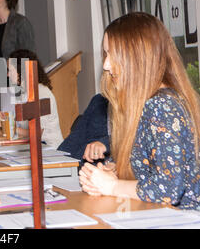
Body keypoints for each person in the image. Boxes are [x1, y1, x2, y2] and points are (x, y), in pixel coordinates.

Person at [79, 12, 200, 211]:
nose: (106, 65)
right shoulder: (147, 103)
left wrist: (112, 186)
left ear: (137, 57)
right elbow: (146, 164)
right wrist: (112, 170)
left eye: (112, 55)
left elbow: (168, 189)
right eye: (106, 54)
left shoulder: (162, 106)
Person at [0, 49, 63, 148]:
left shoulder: (41, 92)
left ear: (21, 70)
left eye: (10, 70)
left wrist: (10, 128)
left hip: (49, 148)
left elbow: (37, 132)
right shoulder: (23, 92)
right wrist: (1, 117)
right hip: (35, 146)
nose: (8, 75)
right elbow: (17, 122)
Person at [57, 94, 110, 162]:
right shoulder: (98, 100)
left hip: (101, 165)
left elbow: (125, 142)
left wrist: (107, 142)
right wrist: (57, 159)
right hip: (79, 163)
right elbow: (76, 136)